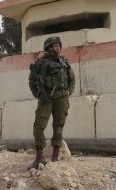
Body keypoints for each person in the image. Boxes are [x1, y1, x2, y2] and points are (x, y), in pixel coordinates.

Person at [27, 36, 75, 170]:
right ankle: (39, 157)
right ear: (48, 47)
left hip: (61, 98)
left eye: (59, 45)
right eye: (55, 46)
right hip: (46, 98)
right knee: (38, 127)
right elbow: (32, 80)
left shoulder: (64, 62)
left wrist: (69, 91)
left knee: (58, 127)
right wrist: (38, 94)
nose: (58, 47)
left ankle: (54, 158)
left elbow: (72, 79)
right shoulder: (41, 62)